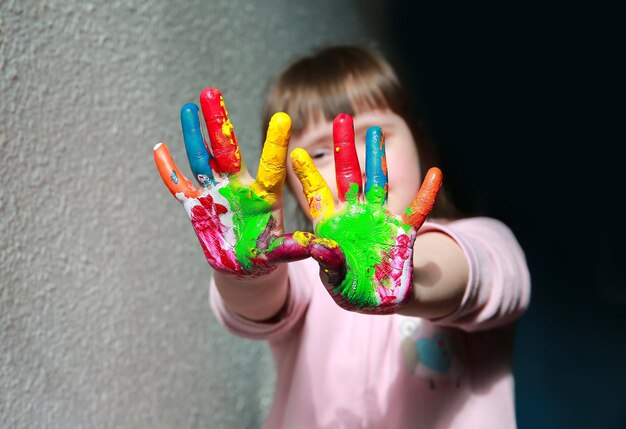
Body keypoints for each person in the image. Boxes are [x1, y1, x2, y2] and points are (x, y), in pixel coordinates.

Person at [153, 45, 531, 429]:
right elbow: (257, 309)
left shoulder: (479, 239)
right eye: (317, 154)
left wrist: (399, 274)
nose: (351, 163)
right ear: (287, 181)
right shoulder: (301, 270)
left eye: (374, 137)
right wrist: (247, 274)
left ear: (418, 140)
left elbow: (481, 276)